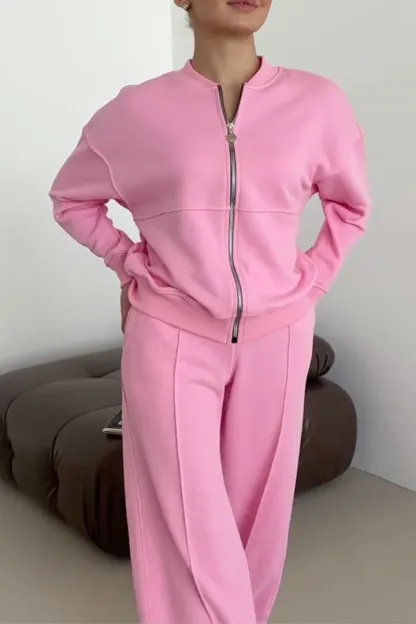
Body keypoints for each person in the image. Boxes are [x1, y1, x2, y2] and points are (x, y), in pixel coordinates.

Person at [49, 0, 371, 621]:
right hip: (171, 335)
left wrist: (312, 280)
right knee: (185, 521)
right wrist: (129, 262)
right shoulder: (137, 112)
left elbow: (351, 207)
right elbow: (72, 199)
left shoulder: (318, 104)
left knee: (258, 521)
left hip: (279, 336)